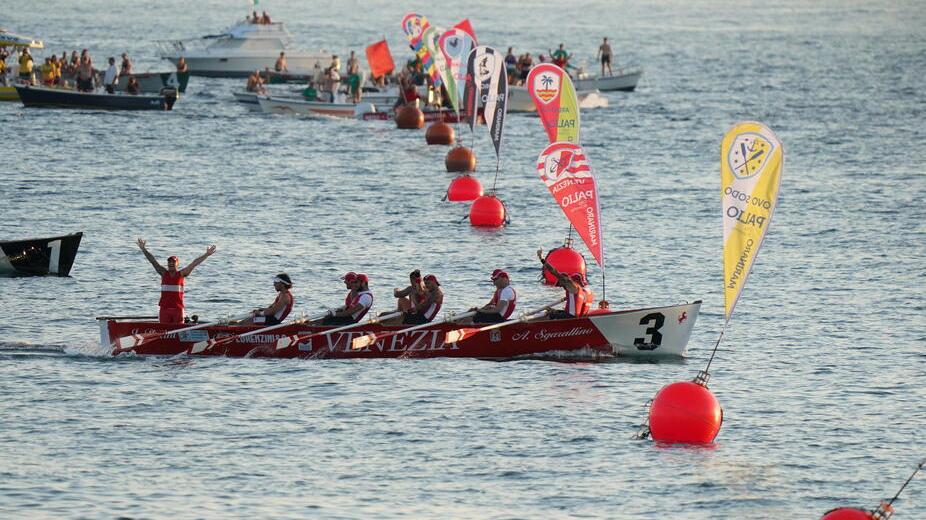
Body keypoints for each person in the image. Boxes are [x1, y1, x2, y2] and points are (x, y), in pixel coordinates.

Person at [136, 238, 217, 324]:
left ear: (177, 264)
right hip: (164, 309)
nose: (171, 264)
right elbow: (153, 261)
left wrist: (206, 254)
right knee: (164, 329)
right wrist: (143, 249)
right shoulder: (163, 273)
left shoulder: (182, 274)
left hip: (177, 310)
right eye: (169, 263)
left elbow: (194, 263)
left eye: (173, 263)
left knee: (179, 329)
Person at [537, 249, 593, 319]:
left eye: (560, 283)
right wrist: (555, 311)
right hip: (576, 318)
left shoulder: (571, 286)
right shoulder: (586, 292)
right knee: (553, 311)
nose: (560, 285)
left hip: (570, 318)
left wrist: (542, 259)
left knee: (548, 315)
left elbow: (554, 272)